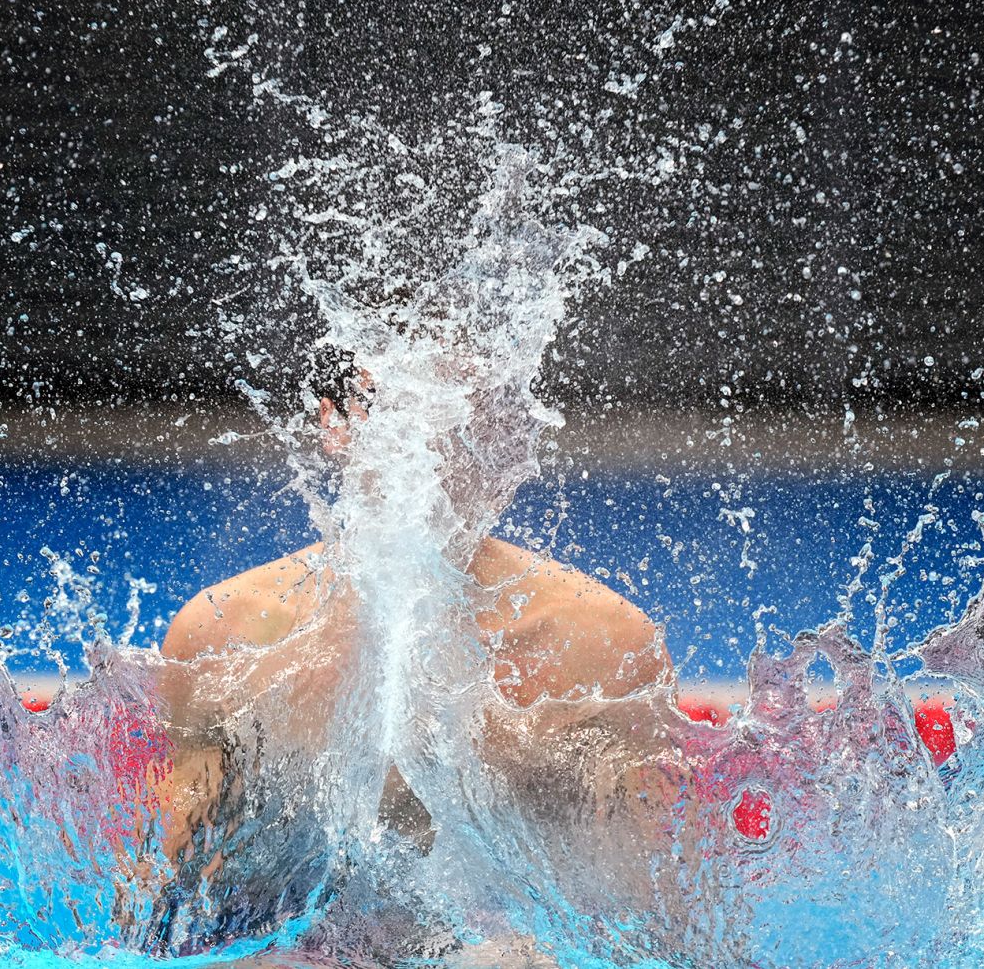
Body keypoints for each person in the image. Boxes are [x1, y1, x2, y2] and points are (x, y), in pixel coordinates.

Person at [147, 348, 675, 953]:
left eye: (481, 423)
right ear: (336, 424)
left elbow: (649, 924)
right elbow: (172, 909)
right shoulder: (225, 637)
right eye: (419, 418)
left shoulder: (598, 648)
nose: (449, 453)